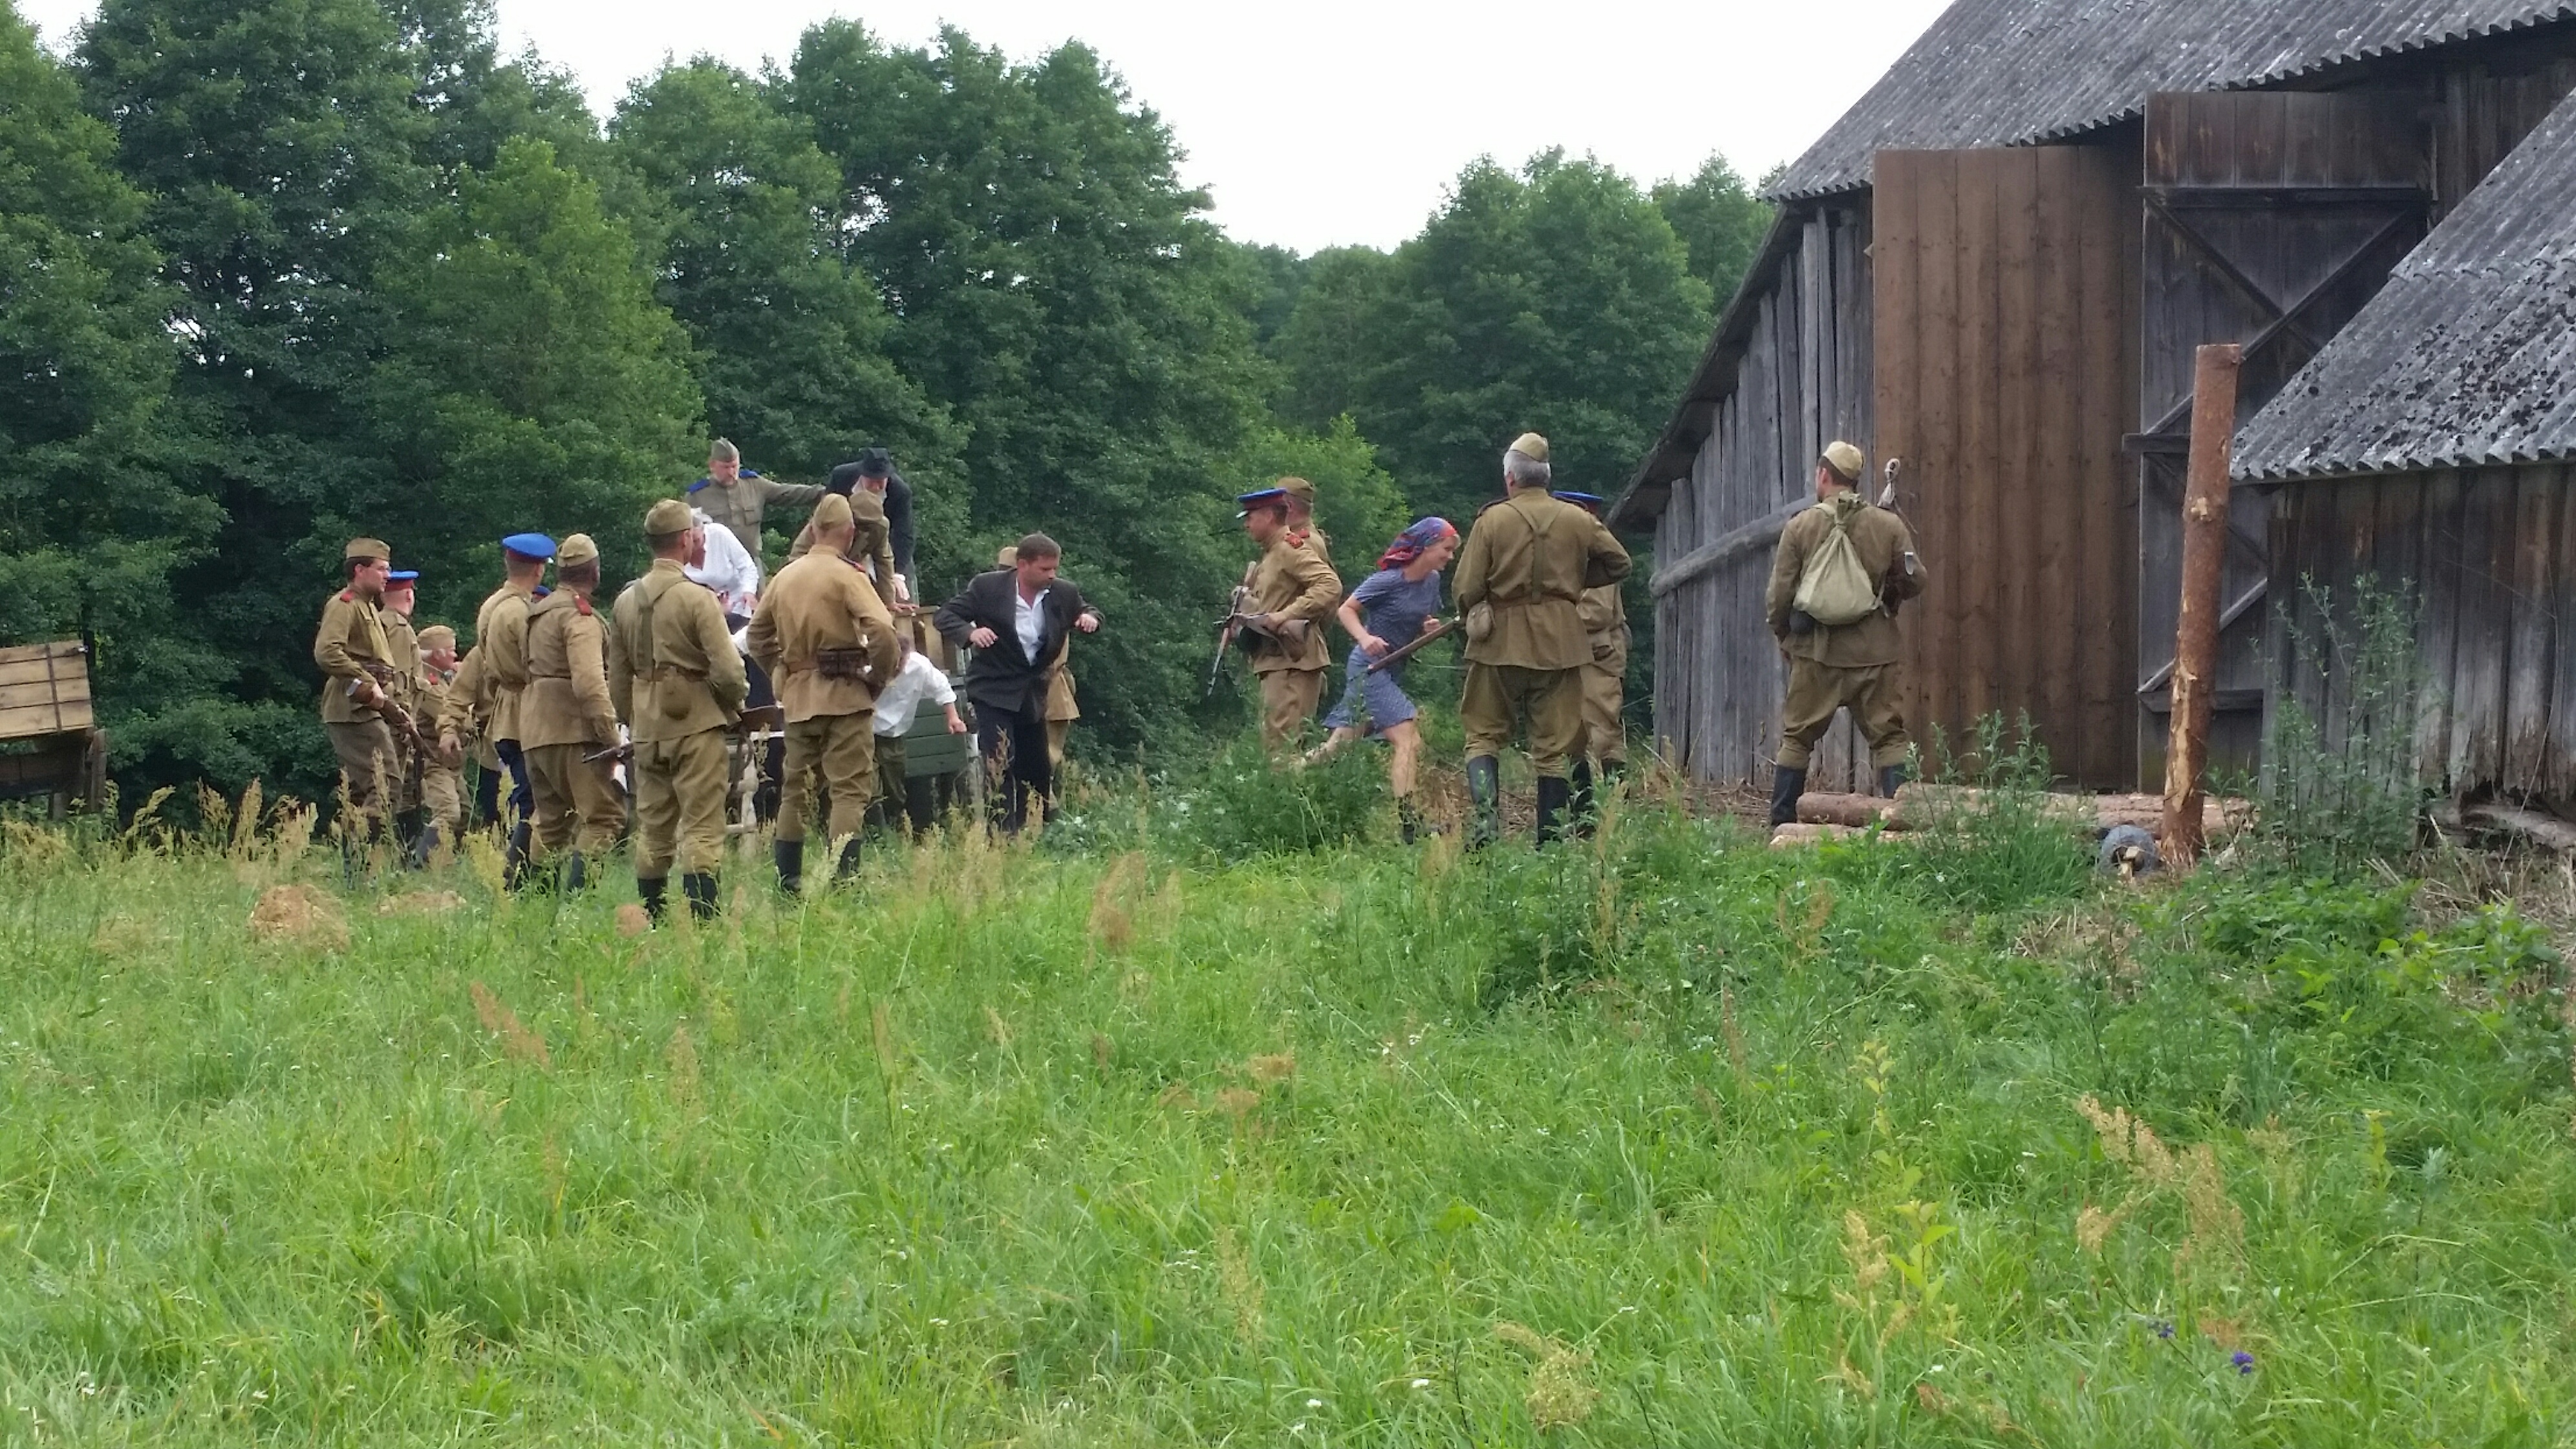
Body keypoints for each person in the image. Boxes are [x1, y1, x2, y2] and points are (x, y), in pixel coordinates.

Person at [1455, 433, 1631, 847]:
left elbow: (1465, 588)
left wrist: (1481, 607)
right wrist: (1570, 584)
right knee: (1554, 747)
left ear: (1511, 480)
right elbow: (1619, 563)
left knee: (1483, 734)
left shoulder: (1491, 520)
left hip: (1499, 642)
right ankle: (1549, 843)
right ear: (1545, 478)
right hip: (1561, 644)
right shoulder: (1578, 519)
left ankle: (1484, 831)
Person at [1764, 440, 1925, 826]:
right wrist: (1889, 593)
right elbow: (1915, 579)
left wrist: (1785, 636)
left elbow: (1779, 596)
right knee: (1889, 740)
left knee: (1797, 739)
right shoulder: (1888, 526)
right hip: (1874, 652)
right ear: (1855, 480)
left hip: (1816, 653)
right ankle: (1907, 823)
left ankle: (1781, 824)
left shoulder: (1800, 526)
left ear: (1823, 474)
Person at [746, 493, 900, 892]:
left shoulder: (785, 576)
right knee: (849, 790)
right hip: (846, 696)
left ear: (813, 529)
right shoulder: (847, 575)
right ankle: (843, 881)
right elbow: (882, 630)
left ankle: (788, 884)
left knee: (795, 791)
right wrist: (877, 679)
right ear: (850, 533)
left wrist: (783, 671)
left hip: (798, 701)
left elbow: (757, 636)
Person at [608, 500, 748, 923]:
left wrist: (634, 718)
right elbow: (728, 669)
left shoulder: (624, 603)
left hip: (648, 730)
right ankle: (704, 922)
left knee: (653, 826)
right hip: (696, 723)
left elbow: (617, 678)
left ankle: (653, 917)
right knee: (703, 825)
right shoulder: (697, 598)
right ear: (686, 538)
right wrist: (735, 702)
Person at [934, 533, 1100, 833]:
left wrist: (1089, 619)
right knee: (999, 762)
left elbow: (1087, 610)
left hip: (1032, 691)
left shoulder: (1063, 593)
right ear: (1022, 565)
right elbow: (946, 616)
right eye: (1045, 569)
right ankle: (1000, 835)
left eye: (1054, 569)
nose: (1052, 575)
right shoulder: (988, 588)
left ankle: (1033, 831)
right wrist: (970, 634)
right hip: (993, 688)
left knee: (1037, 768)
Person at [1312, 517, 1457, 843]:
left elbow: (1417, 616)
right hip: (1370, 668)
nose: (1450, 557)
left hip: (1392, 668)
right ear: (1426, 546)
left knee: (1337, 746)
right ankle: (1410, 825)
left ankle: (1280, 779)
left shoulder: (1432, 581)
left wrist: (1427, 625)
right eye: (1446, 550)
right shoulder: (1387, 581)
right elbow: (1345, 610)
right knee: (1408, 737)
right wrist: (1365, 638)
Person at [519, 533, 627, 891]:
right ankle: (577, 904)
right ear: (594, 572)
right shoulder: (580, 617)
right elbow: (589, 683)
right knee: (605, 817)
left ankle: (533, 902)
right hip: (573, 730)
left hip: (534, 729)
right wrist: (611, 738)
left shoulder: (539, 612)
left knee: (551, 821)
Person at [1234, 475, 1342, 752]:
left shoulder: (1290, 548)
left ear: (1270, 516)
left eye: (1251, 516)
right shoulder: (1272, 553)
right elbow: (1275, 599)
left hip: (1292, 661)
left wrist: (1286, 616)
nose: (1246, 523)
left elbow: (1329, 586)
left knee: (1283, 750)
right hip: (1278, 659)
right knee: (1277, 746)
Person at [470, 533, 555, 883]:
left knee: (527, 797)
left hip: (505, 709)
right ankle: (518, 878)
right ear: (538, 570)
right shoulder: (520, 612)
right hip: (526, 712)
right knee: (534, 802)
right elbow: (534, 664)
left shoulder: (492, 605)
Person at [312, 537, 404, 855]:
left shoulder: (367, 606)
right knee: (386, 786)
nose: (387, 576)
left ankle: (355, 868)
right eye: (382, 569)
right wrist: (366, 681)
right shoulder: (345, 604)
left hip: (365, 705)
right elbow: (326, 652)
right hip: (353, 705)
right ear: (360, 570)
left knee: (361, 792)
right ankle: (362, 863)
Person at [1557, 491, 1631, 835]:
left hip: (1598, 655)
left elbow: (1596, 612)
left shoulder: (1595, 552)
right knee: (1571, 737)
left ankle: (1617, 813)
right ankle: (1584, 818)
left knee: (1605, 733)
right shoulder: (1568, 551)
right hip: (1571, 655)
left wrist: (1552, 620)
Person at [869, 634, 965, 838]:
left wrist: (953, 718)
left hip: (893, 736)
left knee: (894, 792)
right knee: (868, 788)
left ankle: (896, 833)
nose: (896, 667)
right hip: (862, 733)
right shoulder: (867, 666)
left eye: (900, 662)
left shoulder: (919, 666)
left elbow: (942, 688)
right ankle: (874, 837)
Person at [686, 438, 825, 568]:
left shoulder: (754, 485)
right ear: (712, 465)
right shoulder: (697, 496)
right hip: (716, 566)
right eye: (725, 467)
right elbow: (685, 534)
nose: (731, 472)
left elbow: (787, 493)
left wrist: (825, 492)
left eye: (734, 466)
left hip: (751, 562)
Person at [377, 568, 430, 861]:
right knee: (395, 789)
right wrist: (403, 720)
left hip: (392, 721)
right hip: (397, 722)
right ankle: (398, 858)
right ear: (409, 595)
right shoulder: (398, 628)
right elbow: (397, 680)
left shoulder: (380, 622)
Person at [828, 447, 917, 594]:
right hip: (845, 540)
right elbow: (827, 512)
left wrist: (898, 574)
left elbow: (904, 534)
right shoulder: (841, 477)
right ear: (862, 474)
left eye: (880, 481)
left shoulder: (901, 492)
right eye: (871, 480)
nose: (876, 487)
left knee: (901, 590)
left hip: (885, 542)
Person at [416, 624, 466, 858]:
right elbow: (454, 717)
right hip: (434, 760)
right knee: (448, 811)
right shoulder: (428, 683)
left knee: (464, 811)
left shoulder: (444, 679)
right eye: (451, 650)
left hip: (450, 761)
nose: (455, 655)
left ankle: (446, 863)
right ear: (437, 654)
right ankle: (422, 863)